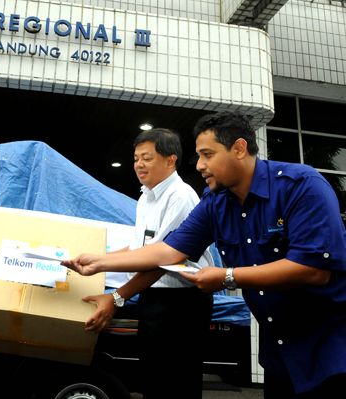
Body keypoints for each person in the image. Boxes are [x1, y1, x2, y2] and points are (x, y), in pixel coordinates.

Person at [63, 110, 346, 398]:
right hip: (279, 351)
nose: (199, 165)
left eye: (207, 154)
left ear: (239, 148)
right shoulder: (215, 201)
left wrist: (227, 277)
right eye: (199, 156)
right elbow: (169, 250)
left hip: (331, 346)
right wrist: (98, 262)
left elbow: (313, 269)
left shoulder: (301, 187)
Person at [83, 128, 214, 398]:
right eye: (135, 158)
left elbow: (161, 260)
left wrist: (118, 297)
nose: (139, 165)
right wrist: (96, 259)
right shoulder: (146, 196)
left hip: (181, 304)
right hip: (154, 298)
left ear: (170, 160)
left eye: (146, 158)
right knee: (153, 379)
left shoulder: (180, 196)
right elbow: (139, 249)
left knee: (176, 383)